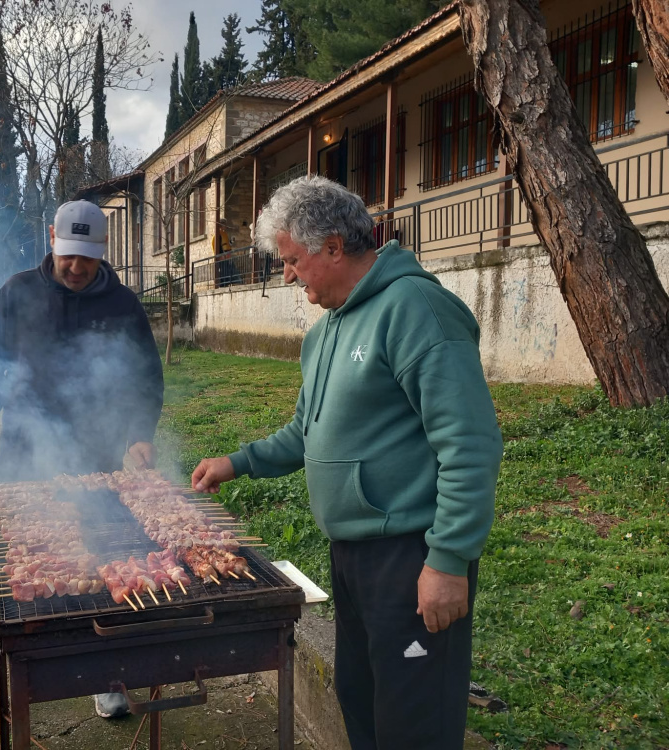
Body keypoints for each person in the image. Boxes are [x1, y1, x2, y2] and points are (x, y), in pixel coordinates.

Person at [191, 176, 503, 750]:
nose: (288, 276)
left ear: (334, 247)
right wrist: (237, 462)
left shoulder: (416, 310)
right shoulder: (325, 333)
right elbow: (305, 432)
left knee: (414, 723)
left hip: (410, 556)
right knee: (361, 703)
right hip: (351, 556)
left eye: (293, 261)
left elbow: (470, 443)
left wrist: (449, 559)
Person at [0, 200, 165, 728]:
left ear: (102, 250)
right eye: (68, 254)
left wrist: (139, 434)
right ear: (52, 239)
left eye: (87, 258)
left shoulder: (122, 304)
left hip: (95, 451)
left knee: (105, 554)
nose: (76, 267)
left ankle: (106, 675)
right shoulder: (16, 293)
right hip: (23, 449)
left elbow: (145, 376)